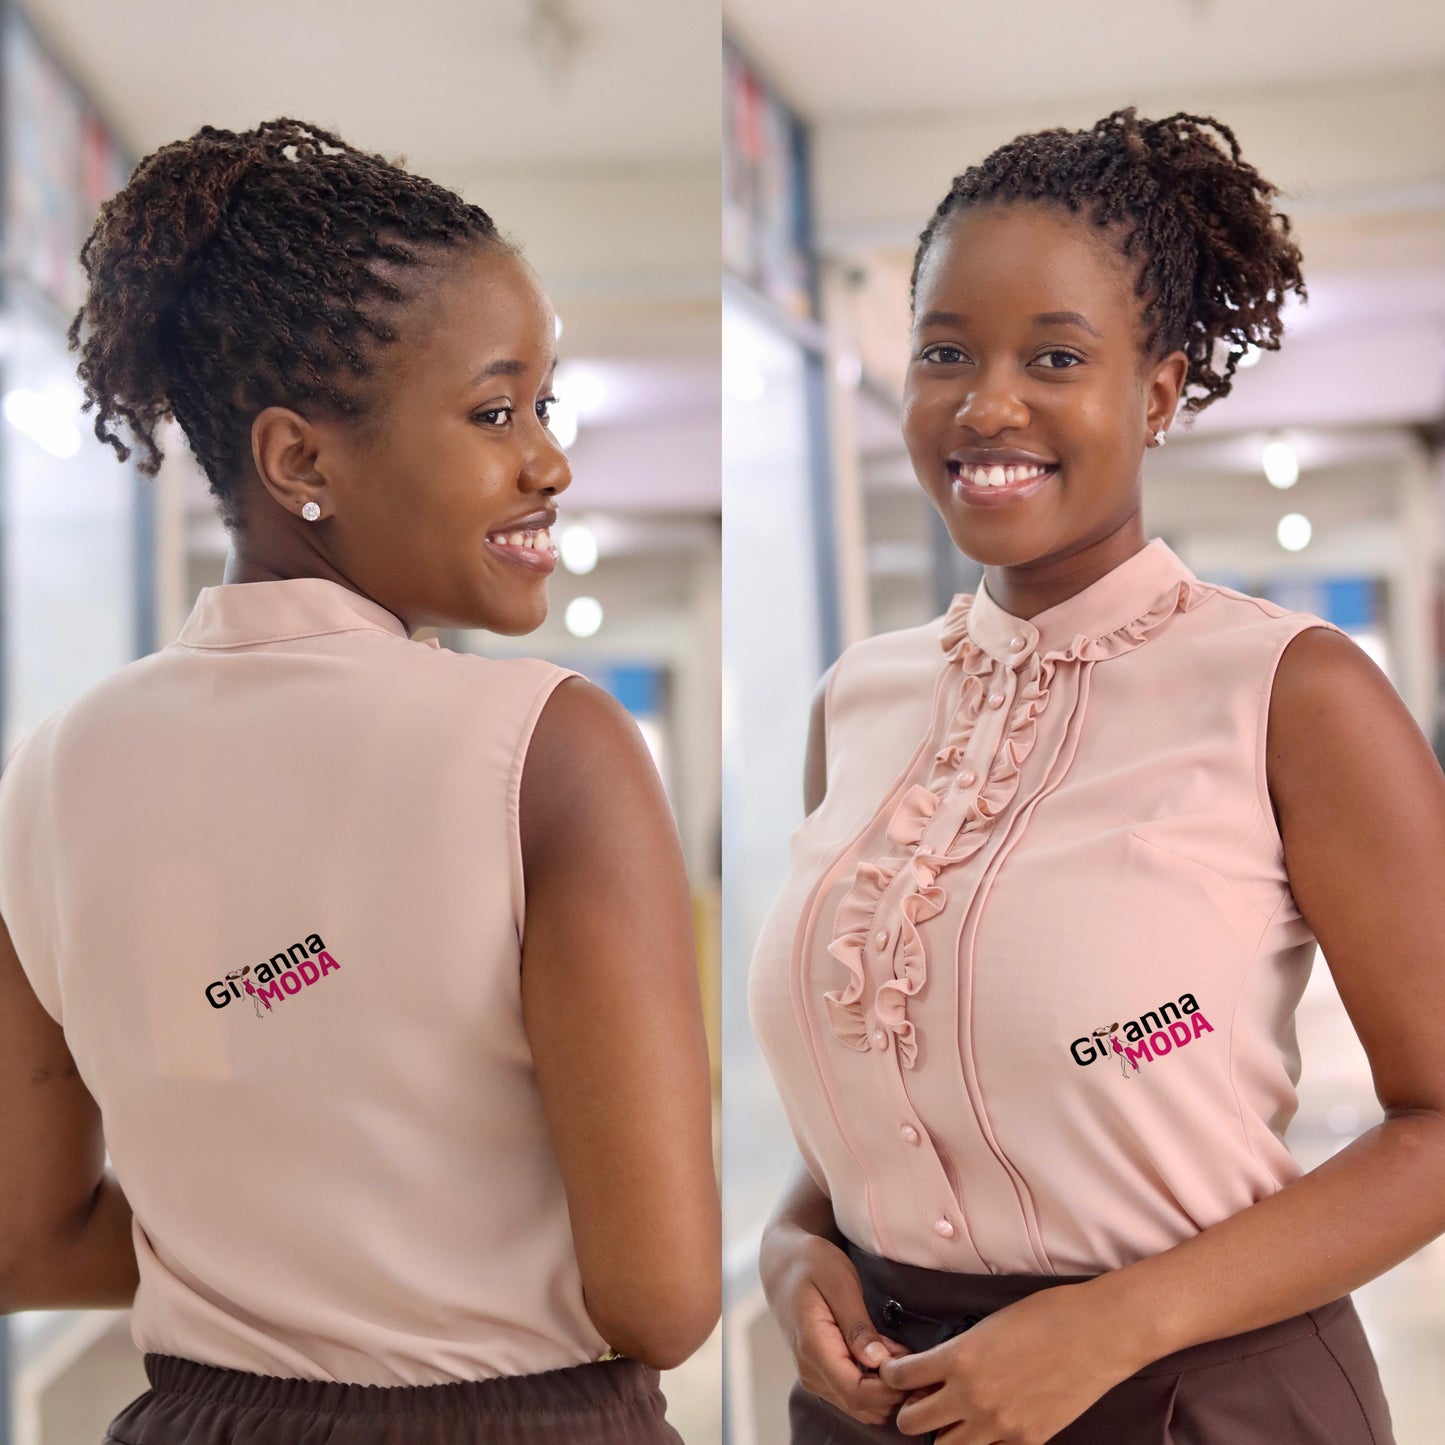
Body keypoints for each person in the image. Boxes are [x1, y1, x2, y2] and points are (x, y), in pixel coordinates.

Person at [0, 118, 719, 1444]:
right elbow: (660, 1295)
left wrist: (279, 1263)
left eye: (544, 407)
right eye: (494, 411)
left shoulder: (49, 772)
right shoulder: (548, 748)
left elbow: (26, 1240)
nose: (549, 461)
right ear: (300, 460)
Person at [749, 108, 1445, 1444]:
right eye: (944, 352)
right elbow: (885, 1065)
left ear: (1158, 392)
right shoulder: (860, 700)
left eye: (1054, 357)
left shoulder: (1291, 691)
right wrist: (792, 1241)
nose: (986, 404)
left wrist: (1114, 1325)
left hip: (1196, 1396)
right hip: (881, 1403)